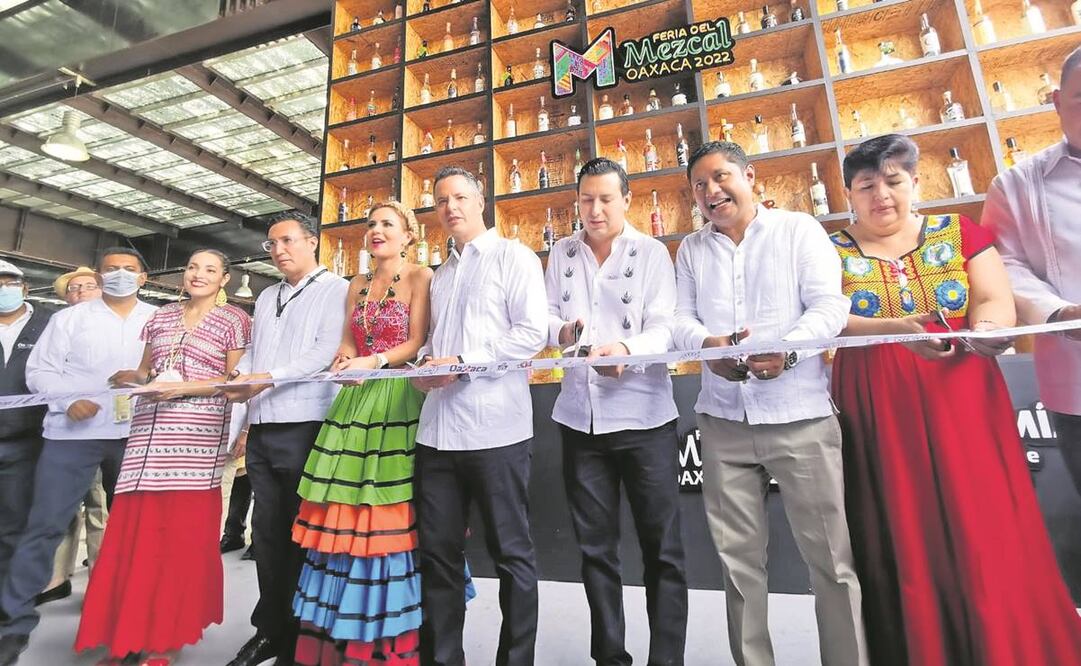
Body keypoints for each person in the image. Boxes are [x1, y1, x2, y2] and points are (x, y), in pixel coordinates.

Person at [830, 132, 1081, 666]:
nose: (882, 196)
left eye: (893, 182)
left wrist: (988, 329)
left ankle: (1005, 645)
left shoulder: (959, 231)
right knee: (900, 519)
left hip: (961, 389)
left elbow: (993, 297)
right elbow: (828, 316)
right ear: (848, 193)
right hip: (877, 400)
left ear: (916, 182)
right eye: (866, 186)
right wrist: (894, 327)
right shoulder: (830, 250)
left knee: (982, 517)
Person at [674, 142, 867, 666]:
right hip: (723, 423)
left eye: (720, 177)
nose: (711, 192)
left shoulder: (798, 230)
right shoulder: (691, 250)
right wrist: (706, 347)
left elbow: (830, 306)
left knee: (831, 562)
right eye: (699, 185)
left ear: (749, 175)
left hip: (800, 416)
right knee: (738, 568)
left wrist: (790, 350)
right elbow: (680, 320)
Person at [75, 249, 251, 665]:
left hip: (196, 441)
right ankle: (125, 634)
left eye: (210, 269)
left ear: (224, 279)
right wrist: (134, 378)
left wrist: (185, 391)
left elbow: (236, 383)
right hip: (146, 437)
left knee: (178, 537)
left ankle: (165, 638)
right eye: (192, 267)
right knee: (134, 535)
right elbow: (147, 369)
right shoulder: (161, 316)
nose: (198, 274)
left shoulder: (236, 321)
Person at [545, 158, 687, 666]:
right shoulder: (561, 252)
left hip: (644, 416)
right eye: (586, 200)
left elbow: (666, 325)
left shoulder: (651, 253)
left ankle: (666, 659)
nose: (595, 209)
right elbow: (545, 318)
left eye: (606, 198)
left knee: (662, 549)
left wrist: (626, 349)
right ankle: (609, 657)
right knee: (595, 551)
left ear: (626, 199)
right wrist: (560, 332)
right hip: (578, 419)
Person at [411, 166, 547, 666]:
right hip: (438, 436)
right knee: (438, 557)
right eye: (441, 199)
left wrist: (462, 365)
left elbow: (531, 334)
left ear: (481, 198)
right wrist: (423, 370)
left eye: (460, 196)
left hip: (497, 431)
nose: (451, 207)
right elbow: (432, 345)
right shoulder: (441, 276)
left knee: (513, 556)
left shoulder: (515, 258)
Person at [0, 248, 157, 666]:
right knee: (44, 526)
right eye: (112, 269)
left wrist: (148, 378)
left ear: (144, 278)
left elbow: (173, 371)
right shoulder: (68, 319)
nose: (120, 275)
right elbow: (40, 370)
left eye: (129, 270)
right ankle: (12, 624)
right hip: (72, 435)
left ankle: (131, 625)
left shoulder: (158, 319)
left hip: (137, 435)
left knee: (134, 532)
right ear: (100, 276)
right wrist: (69, 400)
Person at [291, 201, 432, 665]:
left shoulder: (420, 277)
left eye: (387, 224)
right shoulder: (355, 284)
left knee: (386, 508)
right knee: (343, 508)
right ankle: (336, 630)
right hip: (353, 401)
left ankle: (387, 634)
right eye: (371, 224)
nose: (376, 231)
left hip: (396, 395)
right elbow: (349, 339)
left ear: (409, 234)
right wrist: (343, 358)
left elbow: (416, 341)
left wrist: (372, 362)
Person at [220, 211, 349, 666]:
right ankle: (271, 631)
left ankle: (304, 636)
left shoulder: (336, 289)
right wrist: (240, 375)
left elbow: (322, 353)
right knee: (268, 535)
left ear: (312, 242)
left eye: (287, 240)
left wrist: (265, 377)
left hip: (307, 423)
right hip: (264, 424)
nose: (278, 250)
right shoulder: (266, 294)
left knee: (304, 533)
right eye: (271, 244)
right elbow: (257, 348)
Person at [983, 46, 1081, 497]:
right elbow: (1004, 263)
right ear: (1058, 101)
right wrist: (1059, 313)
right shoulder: (1016, 185)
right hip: (1075, 378)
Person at [38, 266, 108, 607]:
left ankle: (101, 582)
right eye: (73, 288)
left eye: (87, 287)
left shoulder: (118, 328)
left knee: (99, 508)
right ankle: (56, 579)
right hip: (62, 434)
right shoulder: (57, 329)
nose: (79, 292)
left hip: (103, 432)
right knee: (61, 509)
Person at [0, 261, 51, 596]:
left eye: (9, 283)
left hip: (24, 440)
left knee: (13, 522)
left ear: (25, 287)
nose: (3, 290)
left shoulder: (49, 323)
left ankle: (10, 597)